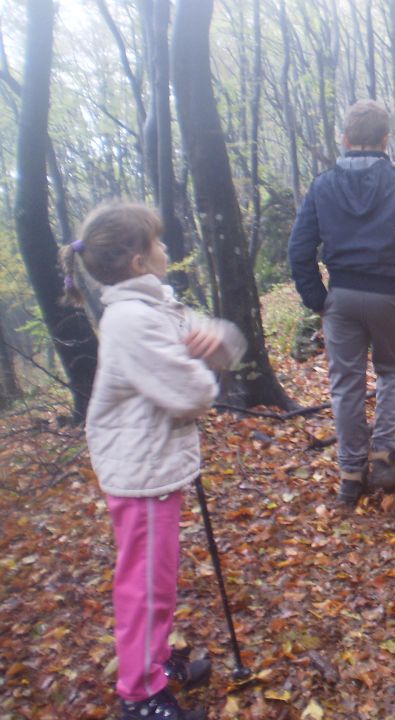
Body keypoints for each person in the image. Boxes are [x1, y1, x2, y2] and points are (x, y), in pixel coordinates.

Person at [62, 202, 246, 720]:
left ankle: (157, 662)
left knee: (157, 578)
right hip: (140, 472)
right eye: (159, 243)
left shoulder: (156, 304)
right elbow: (189, 393)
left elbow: (218, 341)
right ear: (139, 261)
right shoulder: (129, 321)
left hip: (156, 464)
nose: (167, 249)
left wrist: (216, 344)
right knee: (145, 584)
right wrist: (201, 363)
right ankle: (140, 694)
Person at [288, 99, 395, 510]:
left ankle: (351, 476)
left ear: (345, 138)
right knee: (391, 373)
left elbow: (299, 250)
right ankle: (384, 454)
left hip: (344, 298)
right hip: (389, 295)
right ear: (386, 139)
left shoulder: (322, 185)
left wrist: (319, 300)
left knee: (346, 386)